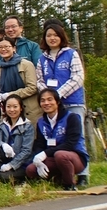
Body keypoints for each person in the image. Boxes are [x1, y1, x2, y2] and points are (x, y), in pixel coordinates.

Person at [38, 20, 89, 186]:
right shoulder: (42, 58)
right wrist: (47, 95)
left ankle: (83, 174)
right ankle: (62, 172)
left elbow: (78, 77)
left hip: (72, 101)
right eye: (48, 35)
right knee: (56, 136)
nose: (52, 38)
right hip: (51, 104)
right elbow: (39, 80)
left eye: (55, 35)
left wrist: (58, 94)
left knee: (77, 135)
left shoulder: (71, 54)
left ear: (61, 36)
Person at [25, 89, 88, 190]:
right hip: (53, 158)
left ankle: (69, 185)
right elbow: (40, 144)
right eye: (43, 100)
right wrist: (38, 159)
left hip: (75, 157)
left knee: (60, 155)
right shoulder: (41, 122)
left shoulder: (71, 118)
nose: (46, 103)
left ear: (57, 102)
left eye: (50, 99)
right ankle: (58, 178)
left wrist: (45, 154)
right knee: (31, 170)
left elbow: (70, 144)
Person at [0, 36, 41, 124]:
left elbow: (32, 88)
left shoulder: (26, 65)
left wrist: (10, 95)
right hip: (11, 111)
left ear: (14, 48)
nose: (3, 49)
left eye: (7, 47)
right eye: (0, 47)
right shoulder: (0, 69)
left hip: (28, 109)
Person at [0, 94, 35, 182]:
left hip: (21, 163)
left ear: (21, 108)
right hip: (4, 160)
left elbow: (26, 151)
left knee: (3, 177)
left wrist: (11, 165)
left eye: (15, 106)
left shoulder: (27, 126)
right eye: (8, 107)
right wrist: (3, 145)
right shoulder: (2, 125)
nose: (12, 110)